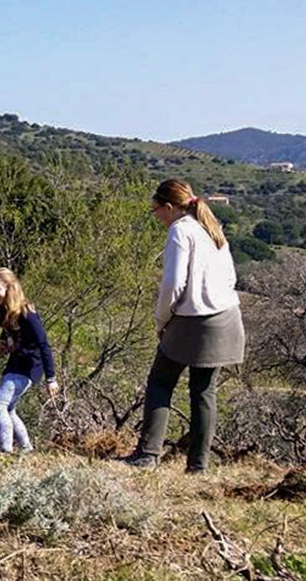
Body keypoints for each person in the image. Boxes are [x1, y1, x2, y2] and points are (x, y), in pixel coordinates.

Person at [125, 180, 245, 473]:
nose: (156, 216)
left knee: (160, 382)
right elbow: (230, 278)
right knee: (204, 392)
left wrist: (161, 321)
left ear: (168, 207)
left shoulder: (180, 230)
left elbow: (172, 285)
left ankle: (148, 455)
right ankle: (197, 466)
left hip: (193, 320)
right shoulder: (210, 226)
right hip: (227, 317)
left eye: (156, 210)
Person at [0, 268, 58, 454]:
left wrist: (51, 378)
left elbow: (44, 344)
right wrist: (3, 341)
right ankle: (26, 448)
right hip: (15, 364)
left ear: (9, 289)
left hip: (29, 367)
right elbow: (8, 329)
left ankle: (5, 451)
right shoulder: (5, 311)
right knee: (9, 409)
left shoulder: (26, 313)